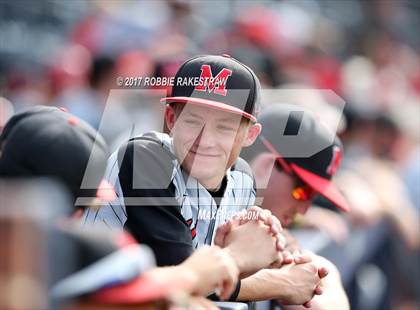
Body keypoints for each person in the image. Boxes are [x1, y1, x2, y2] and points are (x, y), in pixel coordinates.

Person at [82, 55, 325, 305]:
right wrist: (283, 282)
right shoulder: (144, 158)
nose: (204, 140)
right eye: (193, 121)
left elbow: (217, 280)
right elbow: (187, 279)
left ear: (250, 135)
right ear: (171, 119)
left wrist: (275, 253)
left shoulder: (242, 178)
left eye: (224, 127)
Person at [234, 103, 349, 309]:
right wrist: (279, 283)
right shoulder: (197, 209)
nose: (304, 209)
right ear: (265, 166)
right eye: (303, 190)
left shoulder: (285, 243)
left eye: (313, 196)